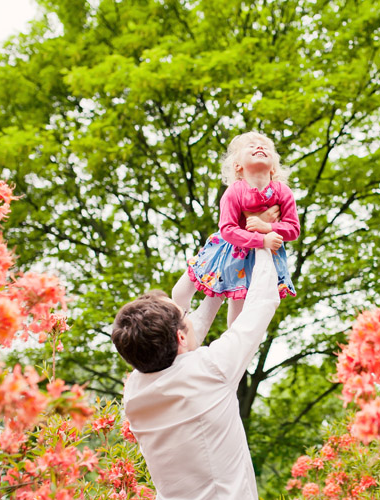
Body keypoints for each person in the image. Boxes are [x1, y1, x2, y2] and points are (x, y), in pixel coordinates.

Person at [112, 249, 280, 500]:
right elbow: (263, 302)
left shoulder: (134, 392)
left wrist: (218, 288)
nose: (189, 317)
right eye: (185, 315)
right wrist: (262, 245)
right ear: (180, 336)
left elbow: (184, 342)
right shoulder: (210, 370)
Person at [172, 131, 300, 327]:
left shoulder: (283, 192)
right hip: (223, 250)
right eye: (251, 146)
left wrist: (267, 227)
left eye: (266, 147)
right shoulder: (235, 190)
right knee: (180, 291)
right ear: (238, 166)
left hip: (251, 259)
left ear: (274, 166)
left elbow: (293, 229)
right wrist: (262, 239)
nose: (260, 147)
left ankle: (234, 348)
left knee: (238, 310)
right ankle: (178, 319)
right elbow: (227, 229)